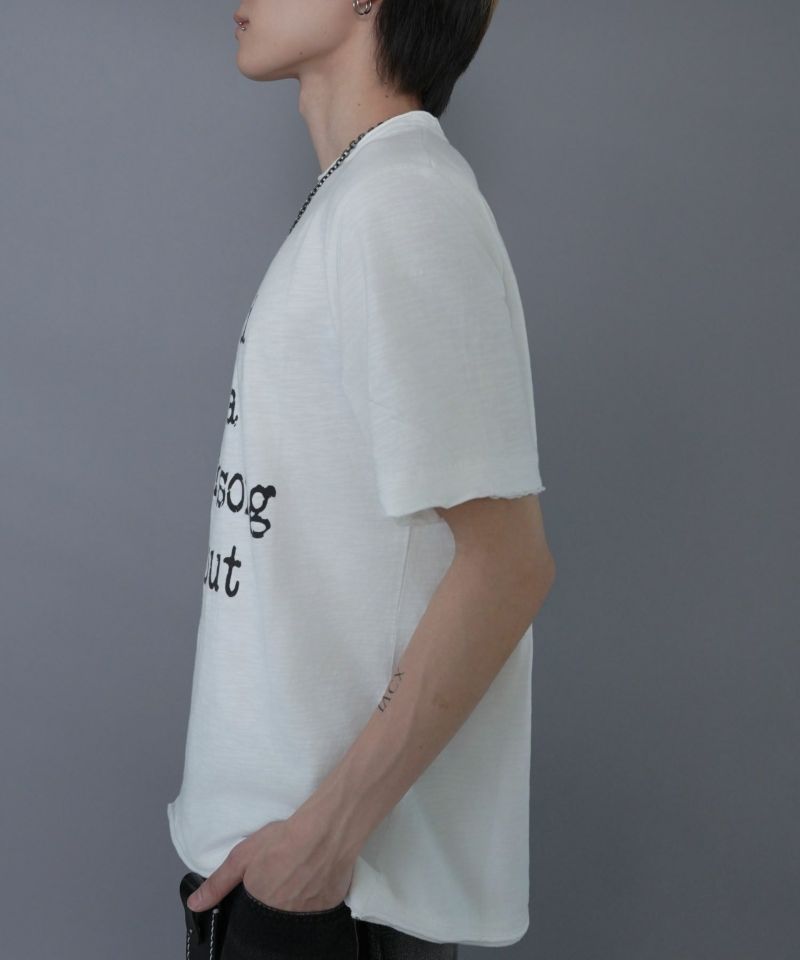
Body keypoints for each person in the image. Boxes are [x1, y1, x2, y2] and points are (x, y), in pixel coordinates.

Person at [167, 1, 556, 957]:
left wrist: (323, 840)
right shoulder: (362, 197)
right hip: (285, 882)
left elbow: (508, 565)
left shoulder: (402, 204)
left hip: (336, 897)